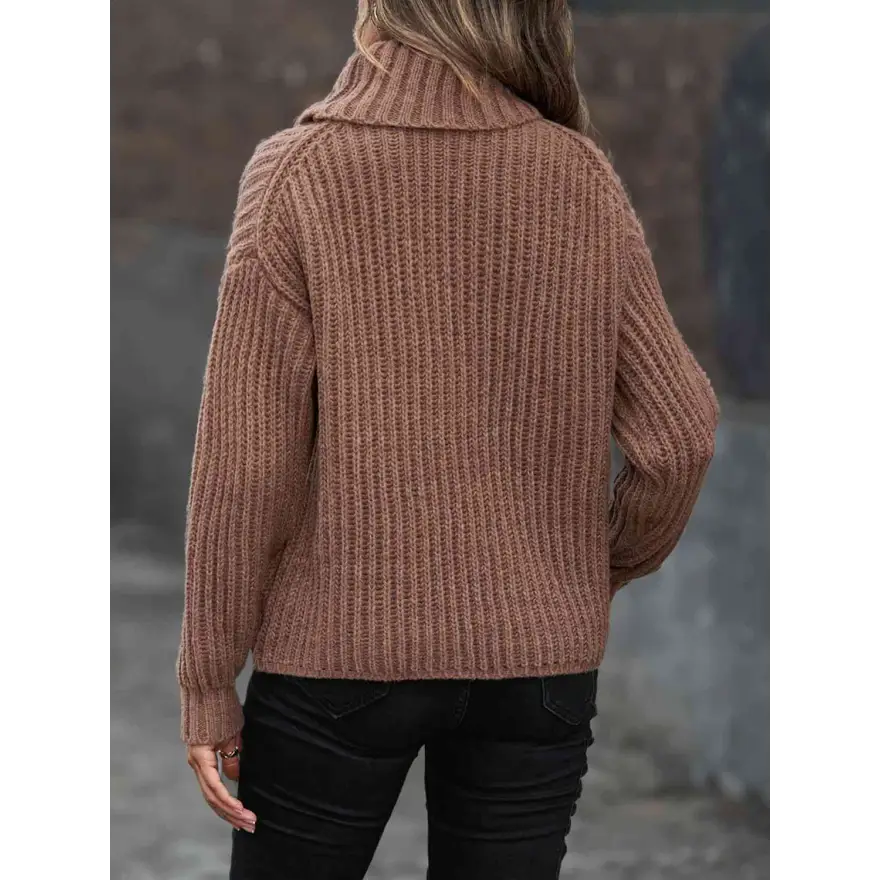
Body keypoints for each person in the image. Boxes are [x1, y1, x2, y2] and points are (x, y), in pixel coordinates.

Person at [178, 1, 720, 877]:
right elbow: (680, 432)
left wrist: (208, 683)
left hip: (341, 655)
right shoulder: (578, 175)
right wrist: (583, 571)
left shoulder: (302, 173)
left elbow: (246, 468)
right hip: (538, 669)